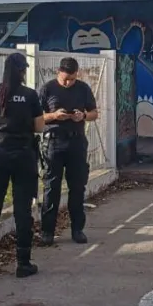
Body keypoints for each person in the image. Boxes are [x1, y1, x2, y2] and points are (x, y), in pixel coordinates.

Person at [0, 52, 45, 278]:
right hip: (24, 155)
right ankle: (23, 263)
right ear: (22, 71)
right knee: (22, 210)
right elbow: (39, 127)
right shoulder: (30, 95)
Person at [39, 57, 98, 246]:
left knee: (77, 187)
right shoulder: (47, 89)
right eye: (65, 79)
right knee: (51, 187)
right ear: (58, 72)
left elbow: (94, 113)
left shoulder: (83, 88)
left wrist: (83, 115)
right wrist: (54, 115)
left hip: (76, 142)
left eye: (72, 79)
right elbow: (37, 118)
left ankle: (77, 229)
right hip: (54, 143)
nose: (68, 83)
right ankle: (47, 231)